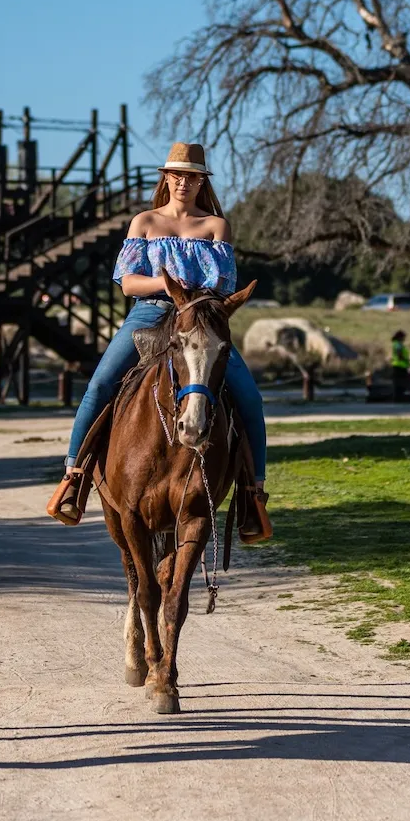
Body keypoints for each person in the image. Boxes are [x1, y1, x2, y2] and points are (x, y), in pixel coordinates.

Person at [47, 142, 269, 539]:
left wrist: (193, 295)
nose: (184, 182)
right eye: (177, 175)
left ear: (202, 181)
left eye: (193, 176)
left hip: (200, 317)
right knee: (99, 385)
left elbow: (224, 284)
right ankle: (73, 479)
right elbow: (128, 282)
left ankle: (254, 495)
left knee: (249, 396)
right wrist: (168, 286)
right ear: (166, 178)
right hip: (150, 312)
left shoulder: (216, 226)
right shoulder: (144, 222)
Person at [390, 330, 410, 400]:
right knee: (400, 383)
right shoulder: (398, 344)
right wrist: (405, 359)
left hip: (400, 365)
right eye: (403, 337)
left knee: (399, 383)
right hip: (399, 366)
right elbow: (399, 354)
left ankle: (398, 397)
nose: (404, 339)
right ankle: (398, 397)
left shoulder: (397, 343)